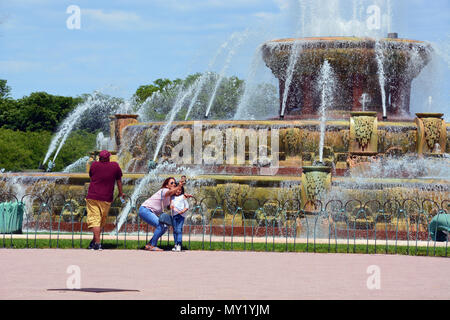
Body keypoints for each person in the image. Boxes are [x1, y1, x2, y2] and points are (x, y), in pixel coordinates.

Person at [86, 150, 124, 251]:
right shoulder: (115, 166)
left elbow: (91, 176)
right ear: (109, 157)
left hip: (93, 196)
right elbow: (119, 181)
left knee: (96, 220)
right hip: (106, 198)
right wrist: (121, 193)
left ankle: (94, 242)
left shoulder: (94, 165)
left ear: (99, 157)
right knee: (100, 220)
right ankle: (97, 243)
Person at [139, 177, 186, 251]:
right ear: (167, 185)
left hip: (149, 211)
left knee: (164, 227)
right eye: (172, 183)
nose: (174, 184)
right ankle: (153, 245)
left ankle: (149, 244)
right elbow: (171, 192)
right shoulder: (164, 190)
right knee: (160, 225)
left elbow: (169, 206)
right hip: (145, 210)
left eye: (175, 183)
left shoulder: (170, 196)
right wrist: (179, 186)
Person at [170, 184, 189, 252]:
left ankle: (179, 244)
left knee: (179, 229)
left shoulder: (182, 197)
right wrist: (171, 207)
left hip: (181, 216)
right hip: (174, 215)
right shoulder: (172, 197)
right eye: (177, 189)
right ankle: (175, 244)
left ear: (182, 191)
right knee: (175, 230)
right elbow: (171, 205)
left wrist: (182, 211)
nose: (178, 191)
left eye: (180, 190)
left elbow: (187, 206)